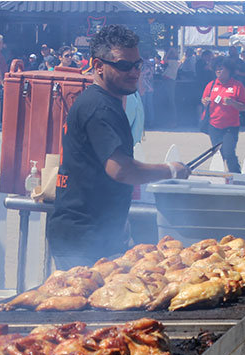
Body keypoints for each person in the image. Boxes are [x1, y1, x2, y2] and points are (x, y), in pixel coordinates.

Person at [46, 25, 190, 269]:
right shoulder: (99, 108)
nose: (134, 72)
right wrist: (171, 170)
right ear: (98, 66)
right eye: (124, 65)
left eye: (137, 65)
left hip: (97, 234)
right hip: (83, 240)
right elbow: (121, 170)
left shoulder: (106, 102)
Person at [201, 58, 245, 173]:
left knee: (229, 153)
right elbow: (203, 100)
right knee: (218, 154)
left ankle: (236, 176)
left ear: (229, 70)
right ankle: (219, 177)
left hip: (230, 127)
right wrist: (204, 101)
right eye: (216, 68)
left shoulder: (237, 86)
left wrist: (233, 103)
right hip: (214, 125)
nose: (218, 71)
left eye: (221, 68)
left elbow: (244, 107)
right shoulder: (211, 85)